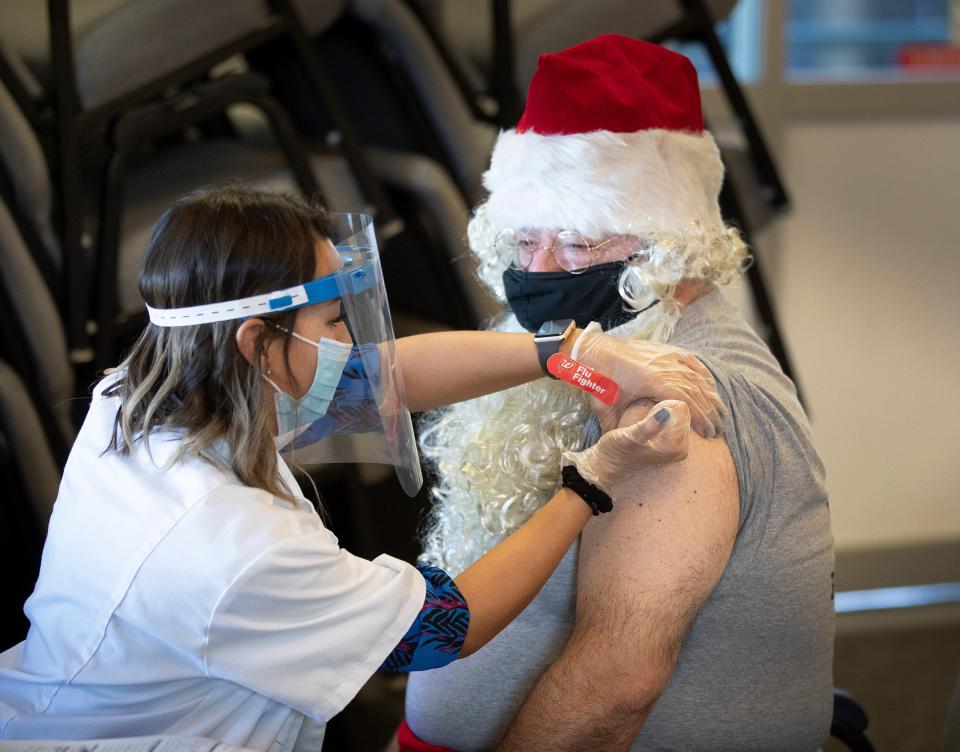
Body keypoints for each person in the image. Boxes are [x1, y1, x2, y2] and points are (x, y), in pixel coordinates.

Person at [0, 186, 725, 750]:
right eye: (334, 322)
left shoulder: (148, 394)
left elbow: (383, 376)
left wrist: (568, 352)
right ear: (256, 342)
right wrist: (590, 481)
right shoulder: (231, 548)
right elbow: (445, 628)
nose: (353, 342)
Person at [401, 36, 835, 752]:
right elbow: (366, 375)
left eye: (574, 243)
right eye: (524, 240)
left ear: (671, 246)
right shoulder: (590, 346)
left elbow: (613, 688)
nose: (536, 273)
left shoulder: (676, 404)